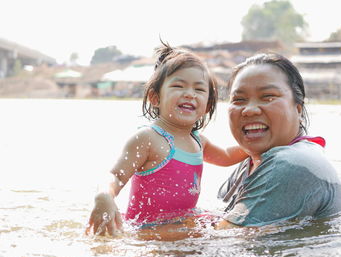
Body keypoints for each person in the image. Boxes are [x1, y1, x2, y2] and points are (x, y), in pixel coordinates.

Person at [85, 41, 247, 236]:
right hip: (146, 231)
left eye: (199, 90)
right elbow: (116, 176)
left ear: (207, 105)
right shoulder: (148, 139)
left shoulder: (198, 141)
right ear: (155, 98)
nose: (189, 94)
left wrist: (266, 144)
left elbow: (227, 156)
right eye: (178, 86)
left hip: (182, 223)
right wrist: (104, 196)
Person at [215, 53, 341, 229]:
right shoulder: (249, 164)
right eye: (239, 99)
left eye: (268, 97)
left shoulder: (291, 163)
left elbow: (225, 237)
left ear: (298, 109)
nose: (250, 110)